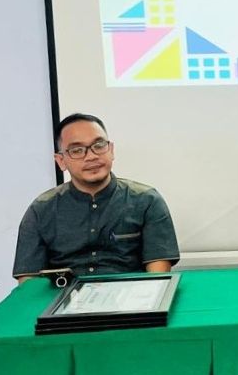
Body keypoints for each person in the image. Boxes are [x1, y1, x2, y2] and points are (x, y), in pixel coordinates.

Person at [13, 113, 180, 281]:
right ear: (61, 161)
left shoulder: (147, 201)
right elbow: (29, 284)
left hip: (132, 294)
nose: (92, 156)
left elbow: (158, 278)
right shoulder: (41, 210)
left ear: (111, 150)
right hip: (63, 295)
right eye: (77, 150)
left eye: (99, 146)